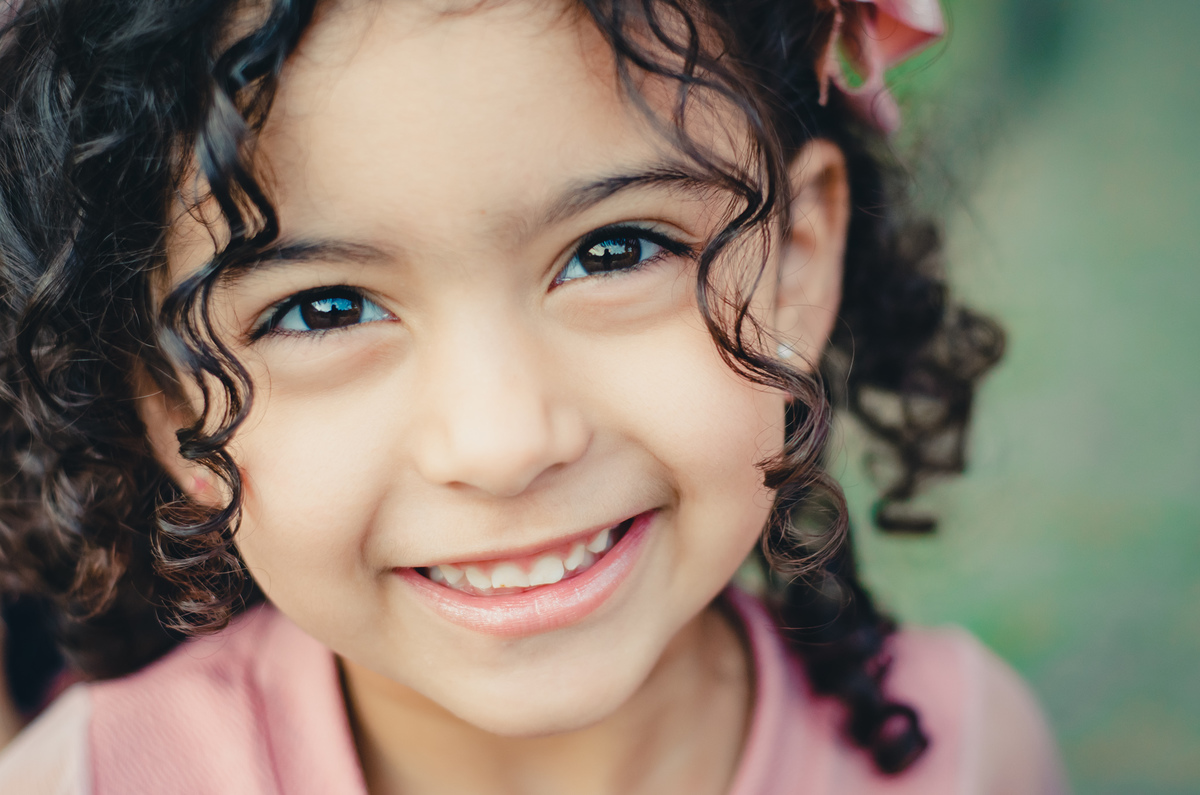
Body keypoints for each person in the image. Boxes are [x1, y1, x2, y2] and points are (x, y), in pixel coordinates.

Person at [0, 0, 1069, 792]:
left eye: (614, 249)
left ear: (795, 261)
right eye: (322, 311)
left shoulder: (969, 753)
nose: (505, 442)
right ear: (164, 400)